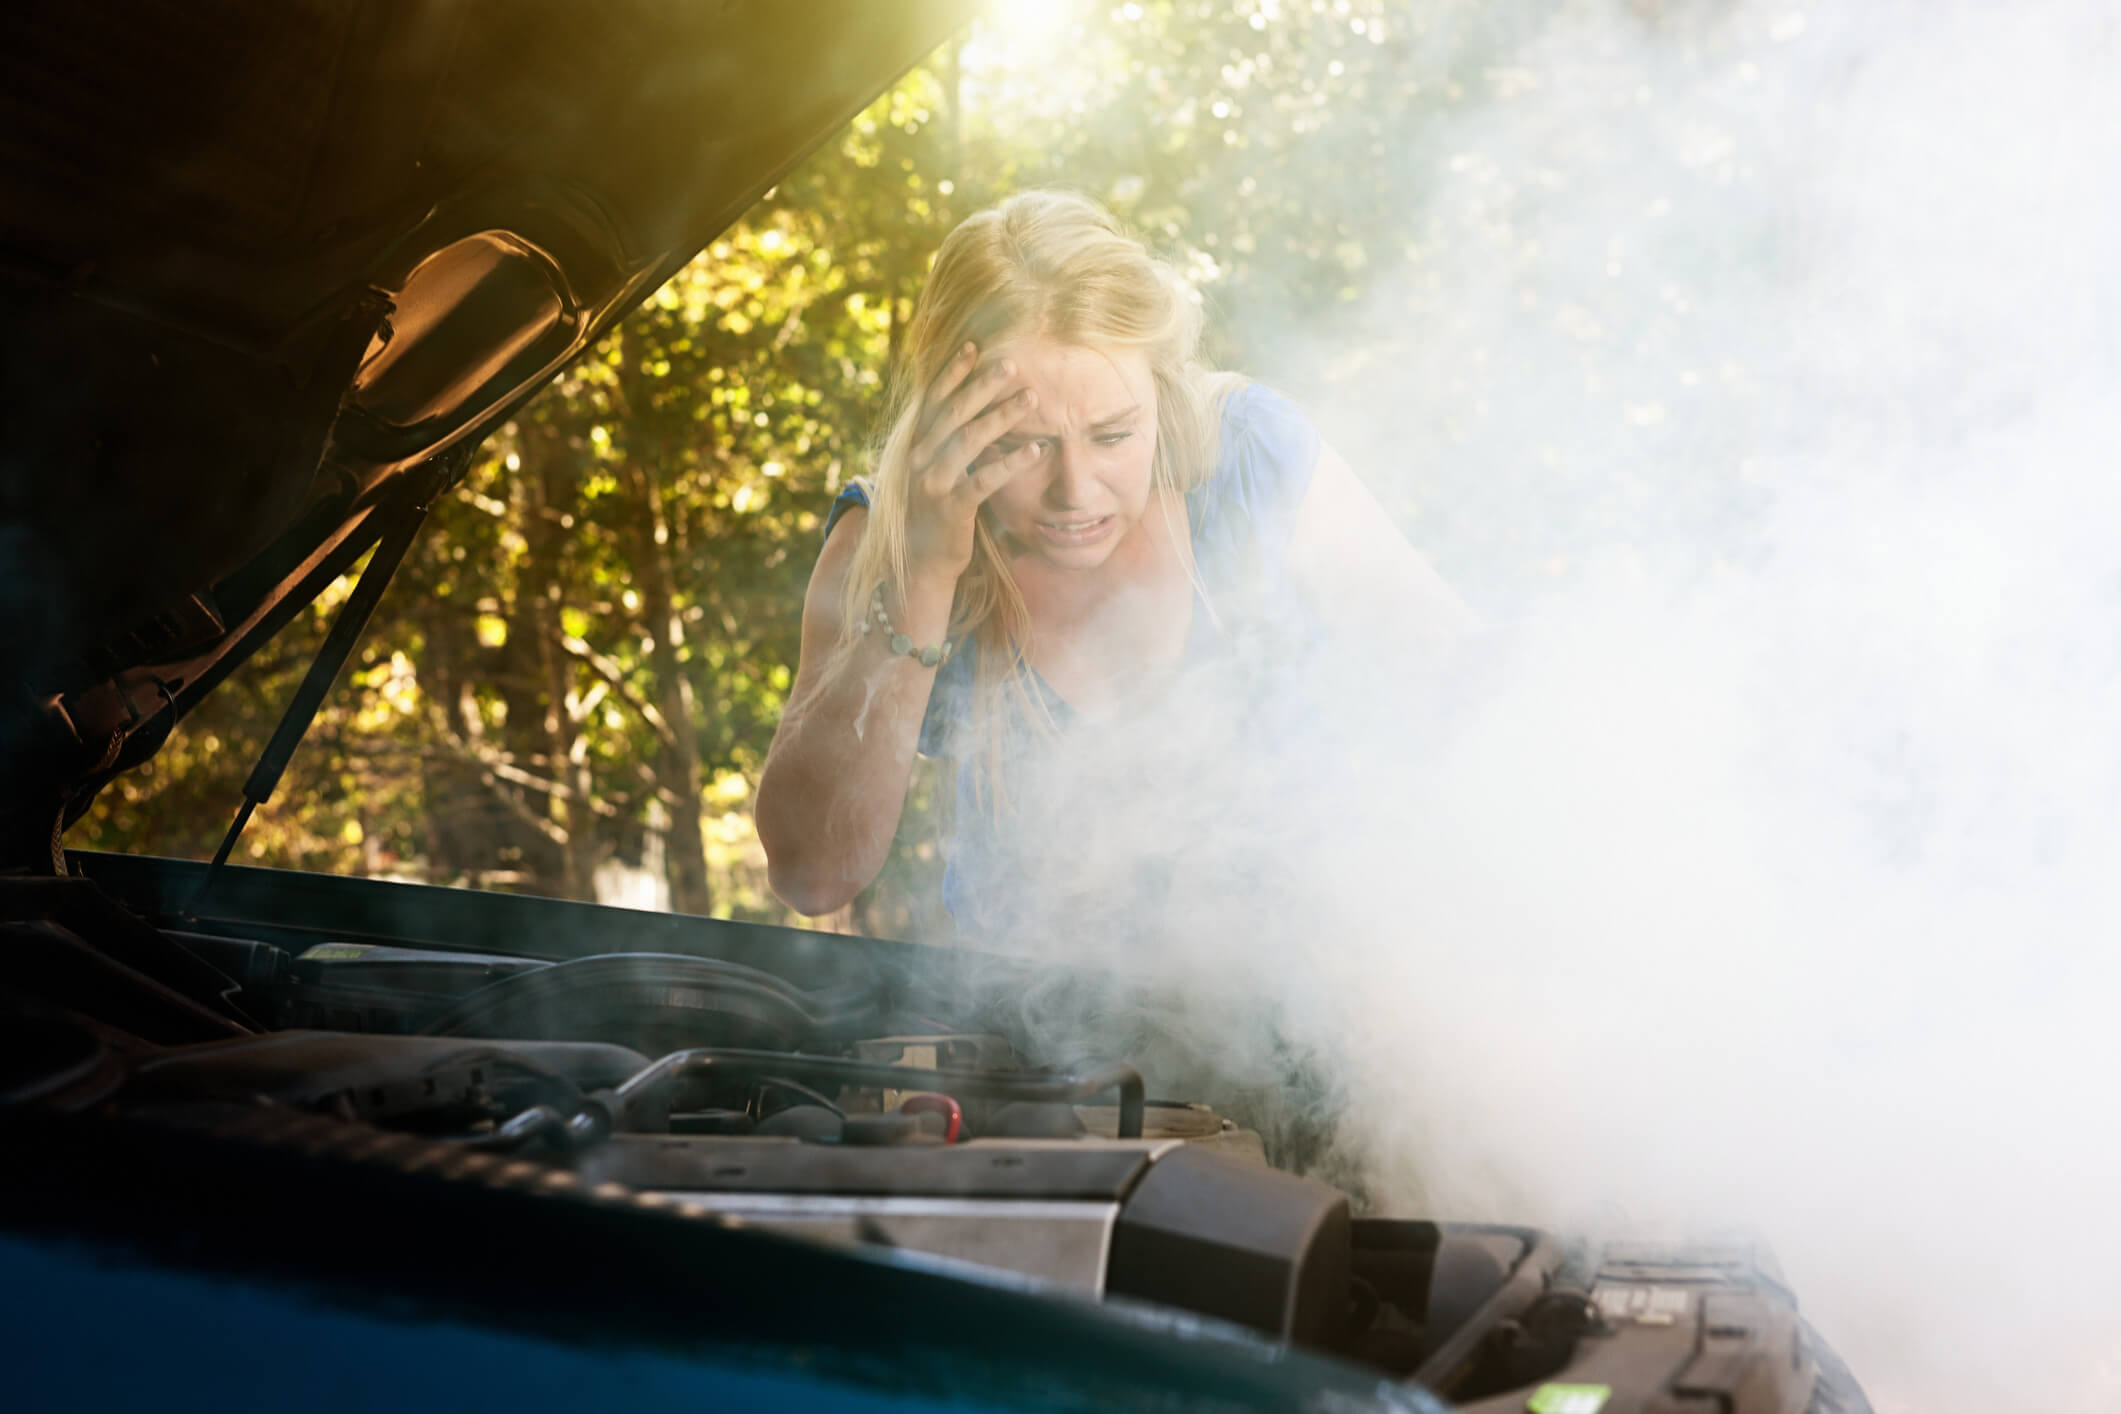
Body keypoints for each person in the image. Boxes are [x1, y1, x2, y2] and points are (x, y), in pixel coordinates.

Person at [756, 190, 1469, 938]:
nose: (1075, 492)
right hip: (1039, 1043)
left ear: (1159, 390)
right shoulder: (890, 535)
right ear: (945, 413)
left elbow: (1460, 691)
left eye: (1113, 434)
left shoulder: (1250, 459)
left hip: (1323, 1003)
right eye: (1019, 444)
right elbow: (813, 873)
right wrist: (927, 572)